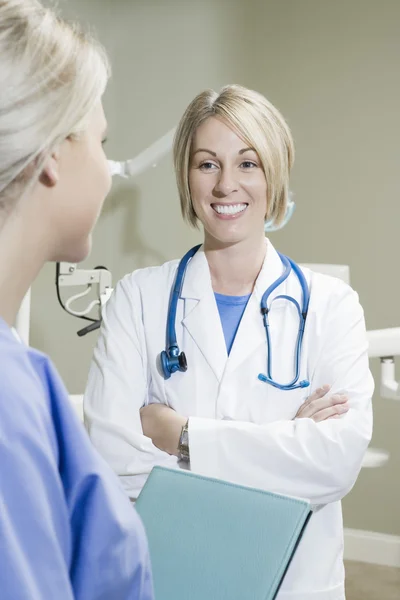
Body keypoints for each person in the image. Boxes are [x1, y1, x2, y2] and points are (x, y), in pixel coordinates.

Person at [84, 84, 373, 599]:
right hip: (176, 579)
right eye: (206, 164)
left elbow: (334, 462)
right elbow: (115, 463)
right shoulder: (138, 299)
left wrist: (185, 436)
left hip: (295, 585)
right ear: (186, 176)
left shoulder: (333, 306)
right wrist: (282, 441)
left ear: (274, 174)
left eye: (247, 163)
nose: (225, 185)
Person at [0, 1, 153, 598]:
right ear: (52, 155)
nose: (111, 169)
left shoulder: (22, 371)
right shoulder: (8, 398)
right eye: (101, 141)